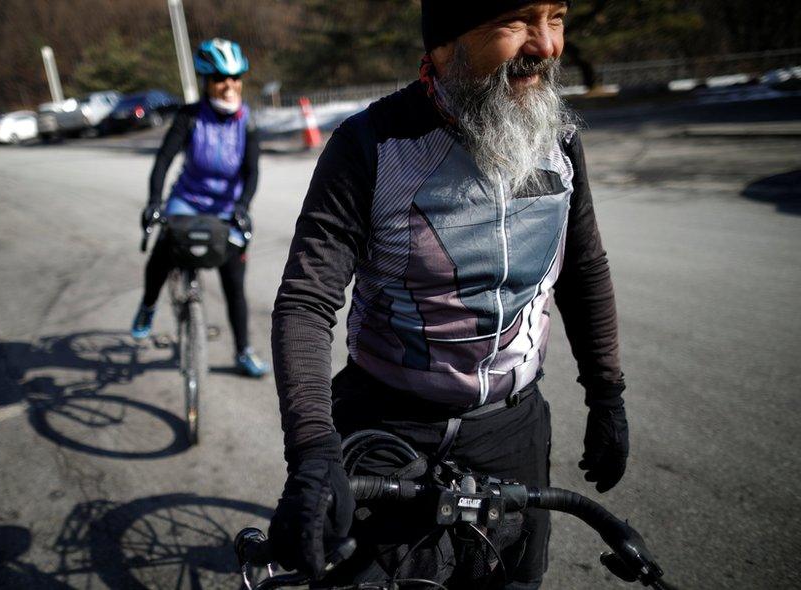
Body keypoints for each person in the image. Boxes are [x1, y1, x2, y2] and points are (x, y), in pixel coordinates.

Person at [267, 1, 629, 588]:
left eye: (556, 17)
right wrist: (311, 451)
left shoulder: (558, 137)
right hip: (389, 422)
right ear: (444, 45)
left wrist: (607, 393)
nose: (548, 45)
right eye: (516, 22)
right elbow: (307, 303)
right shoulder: (373, 143)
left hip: (512, 427)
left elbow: (584, 268)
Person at [132, 38, 268, 378]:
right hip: (187, 200)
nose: (230, 85)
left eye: (236, 78)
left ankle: (243, 352)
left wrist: (243, 206)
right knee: (163, 249)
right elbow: (163, 161)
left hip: (227, 208)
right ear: (207, 81)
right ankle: (148, 305)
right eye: (222, 78)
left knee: (234, 280)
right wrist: (154, 202)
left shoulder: (247, 122)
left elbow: (252, 172)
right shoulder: (190, 117)